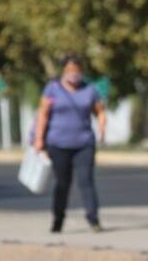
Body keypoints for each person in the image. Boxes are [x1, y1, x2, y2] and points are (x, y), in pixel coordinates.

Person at [34, 53, 107, 233]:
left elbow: (100, 112)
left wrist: (102, 129)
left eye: (77, 70)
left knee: (86, 181)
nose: (73, 74)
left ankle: (93, 220)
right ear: (64, 71)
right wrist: (38, 139)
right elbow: (43, 114)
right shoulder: (53, 89)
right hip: (58, 143)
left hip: (84, 143)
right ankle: (58, 219)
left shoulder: (90, 90)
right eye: (70, 70)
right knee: (62, 183)